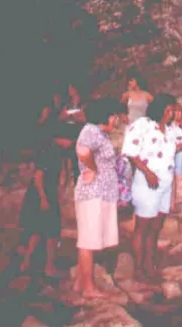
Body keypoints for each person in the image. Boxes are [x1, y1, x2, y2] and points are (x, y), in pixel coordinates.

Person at [122, 94, 182, 281]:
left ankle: (150, 264)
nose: (171, 113)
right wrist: (148, 171)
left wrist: (178, 123)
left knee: (156, 226)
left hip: (165, 181)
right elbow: (131, 153)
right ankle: (139, 268)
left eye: (173, 110)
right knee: (143, 226)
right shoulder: (142, 125)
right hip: (147, 181)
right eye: (168, 109)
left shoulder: (172, 129)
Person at [74, 97, 124, 299]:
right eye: (114, 116)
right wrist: (93, 168)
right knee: (88, 240)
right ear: (106, 115)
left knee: (92, 238)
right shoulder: (91, 130)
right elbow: (82, 151)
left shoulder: (100, 134)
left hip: (101, 194)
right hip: (92, 194)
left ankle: (81, 283)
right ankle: (88, 288)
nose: (117, 120)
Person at [17, 136, 67, 278]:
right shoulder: (51, 152)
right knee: (52, 232)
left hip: (44, 193)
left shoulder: (51, 150)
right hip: (44, 194)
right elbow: (38, 177)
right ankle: (49, 267)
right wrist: (44, 198)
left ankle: (25, 263)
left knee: (37, 230)